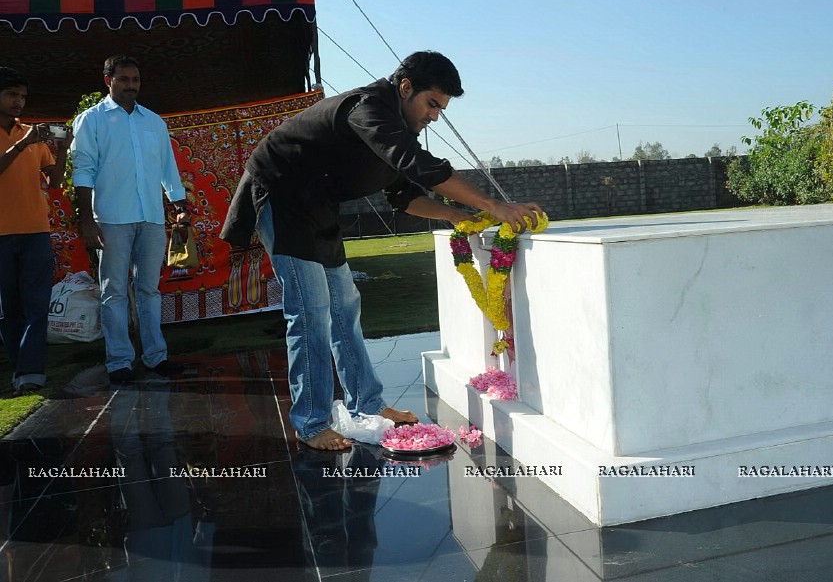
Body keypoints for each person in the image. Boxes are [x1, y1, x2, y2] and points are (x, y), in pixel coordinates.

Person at [221, 51, 545, 451]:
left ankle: (367, 404)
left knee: (345, 305)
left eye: (441, 109)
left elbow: (404, 195)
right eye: (432, 104)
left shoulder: (400, 129)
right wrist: (494, 206)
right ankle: (310, 422)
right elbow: (416, 164)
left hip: (316, 207)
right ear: (405, 87)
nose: (434, 117)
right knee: (311, 311)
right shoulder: (368, 108)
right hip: (282, 198)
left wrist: (453, 215)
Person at [71, 55, 189, 384]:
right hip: (110, 218)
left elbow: (168, 168)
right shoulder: (90, 121)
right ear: (107, 80)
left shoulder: (153, 121)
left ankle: (155, 356)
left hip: (151, 216)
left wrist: (179, 206)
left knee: (150, 290)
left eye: (135, 79)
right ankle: (119, 361)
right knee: (114, 292)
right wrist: (87, 221)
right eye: (123, 79)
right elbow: (83, 171)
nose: (131, 85)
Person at [0, 67, 70, 395]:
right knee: (9, 309)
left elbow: (54, 182)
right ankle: (20, 369)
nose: (19, 101)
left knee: (37, 305)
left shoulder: (32, 134)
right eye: (12, 94)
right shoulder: (27, 137)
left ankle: (30, 374)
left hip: (36, 233)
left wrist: (64, 149)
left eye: (23, 96)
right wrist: (22, 144)